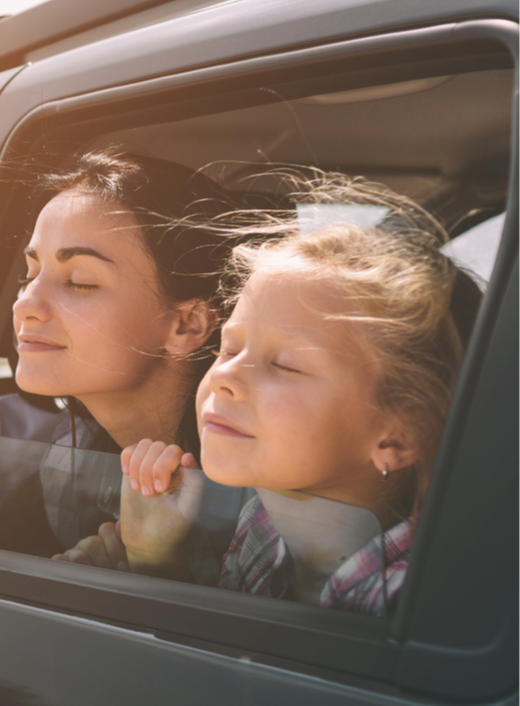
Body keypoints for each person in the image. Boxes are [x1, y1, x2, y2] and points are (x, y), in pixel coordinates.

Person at [57, 177, 481, 616]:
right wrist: (153, 560)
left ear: (399, 436)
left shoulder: (423, 609)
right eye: (230, 347)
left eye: (286, 365)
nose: (224, 376)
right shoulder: (263, 527)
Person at [0, 147, 248, 555]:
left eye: (79, 280)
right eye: (30, 274)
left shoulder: (261, 505)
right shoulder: (67, 466)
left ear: (188, 324)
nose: (24, 303)